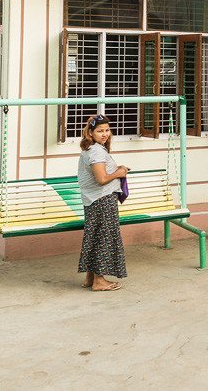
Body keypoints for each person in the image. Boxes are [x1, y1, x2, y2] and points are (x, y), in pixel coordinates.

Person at [77, 114, 129, 292]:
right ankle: (99, 281)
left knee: (95, 236)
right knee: (104, 238)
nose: (105, 134)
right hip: (102, 199)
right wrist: (119, 173)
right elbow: (101, 178)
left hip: (95, 200)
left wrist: (115, 169)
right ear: (90, 133)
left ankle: (90, 278)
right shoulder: (96, 151)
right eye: (100, 131)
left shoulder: (92, 149)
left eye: (107, 130)